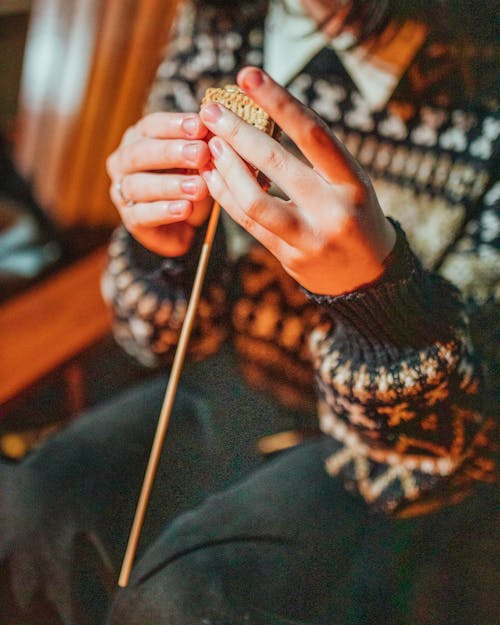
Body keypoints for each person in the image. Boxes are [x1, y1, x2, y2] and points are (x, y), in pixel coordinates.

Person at [1, 0, 498, 623]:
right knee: (31, 512)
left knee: (190, 598)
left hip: (404, 461)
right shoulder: (221, 20)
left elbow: (461, 446)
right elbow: (156, 342)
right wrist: (165, 254)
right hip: (232, 380)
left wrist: (380, 311)